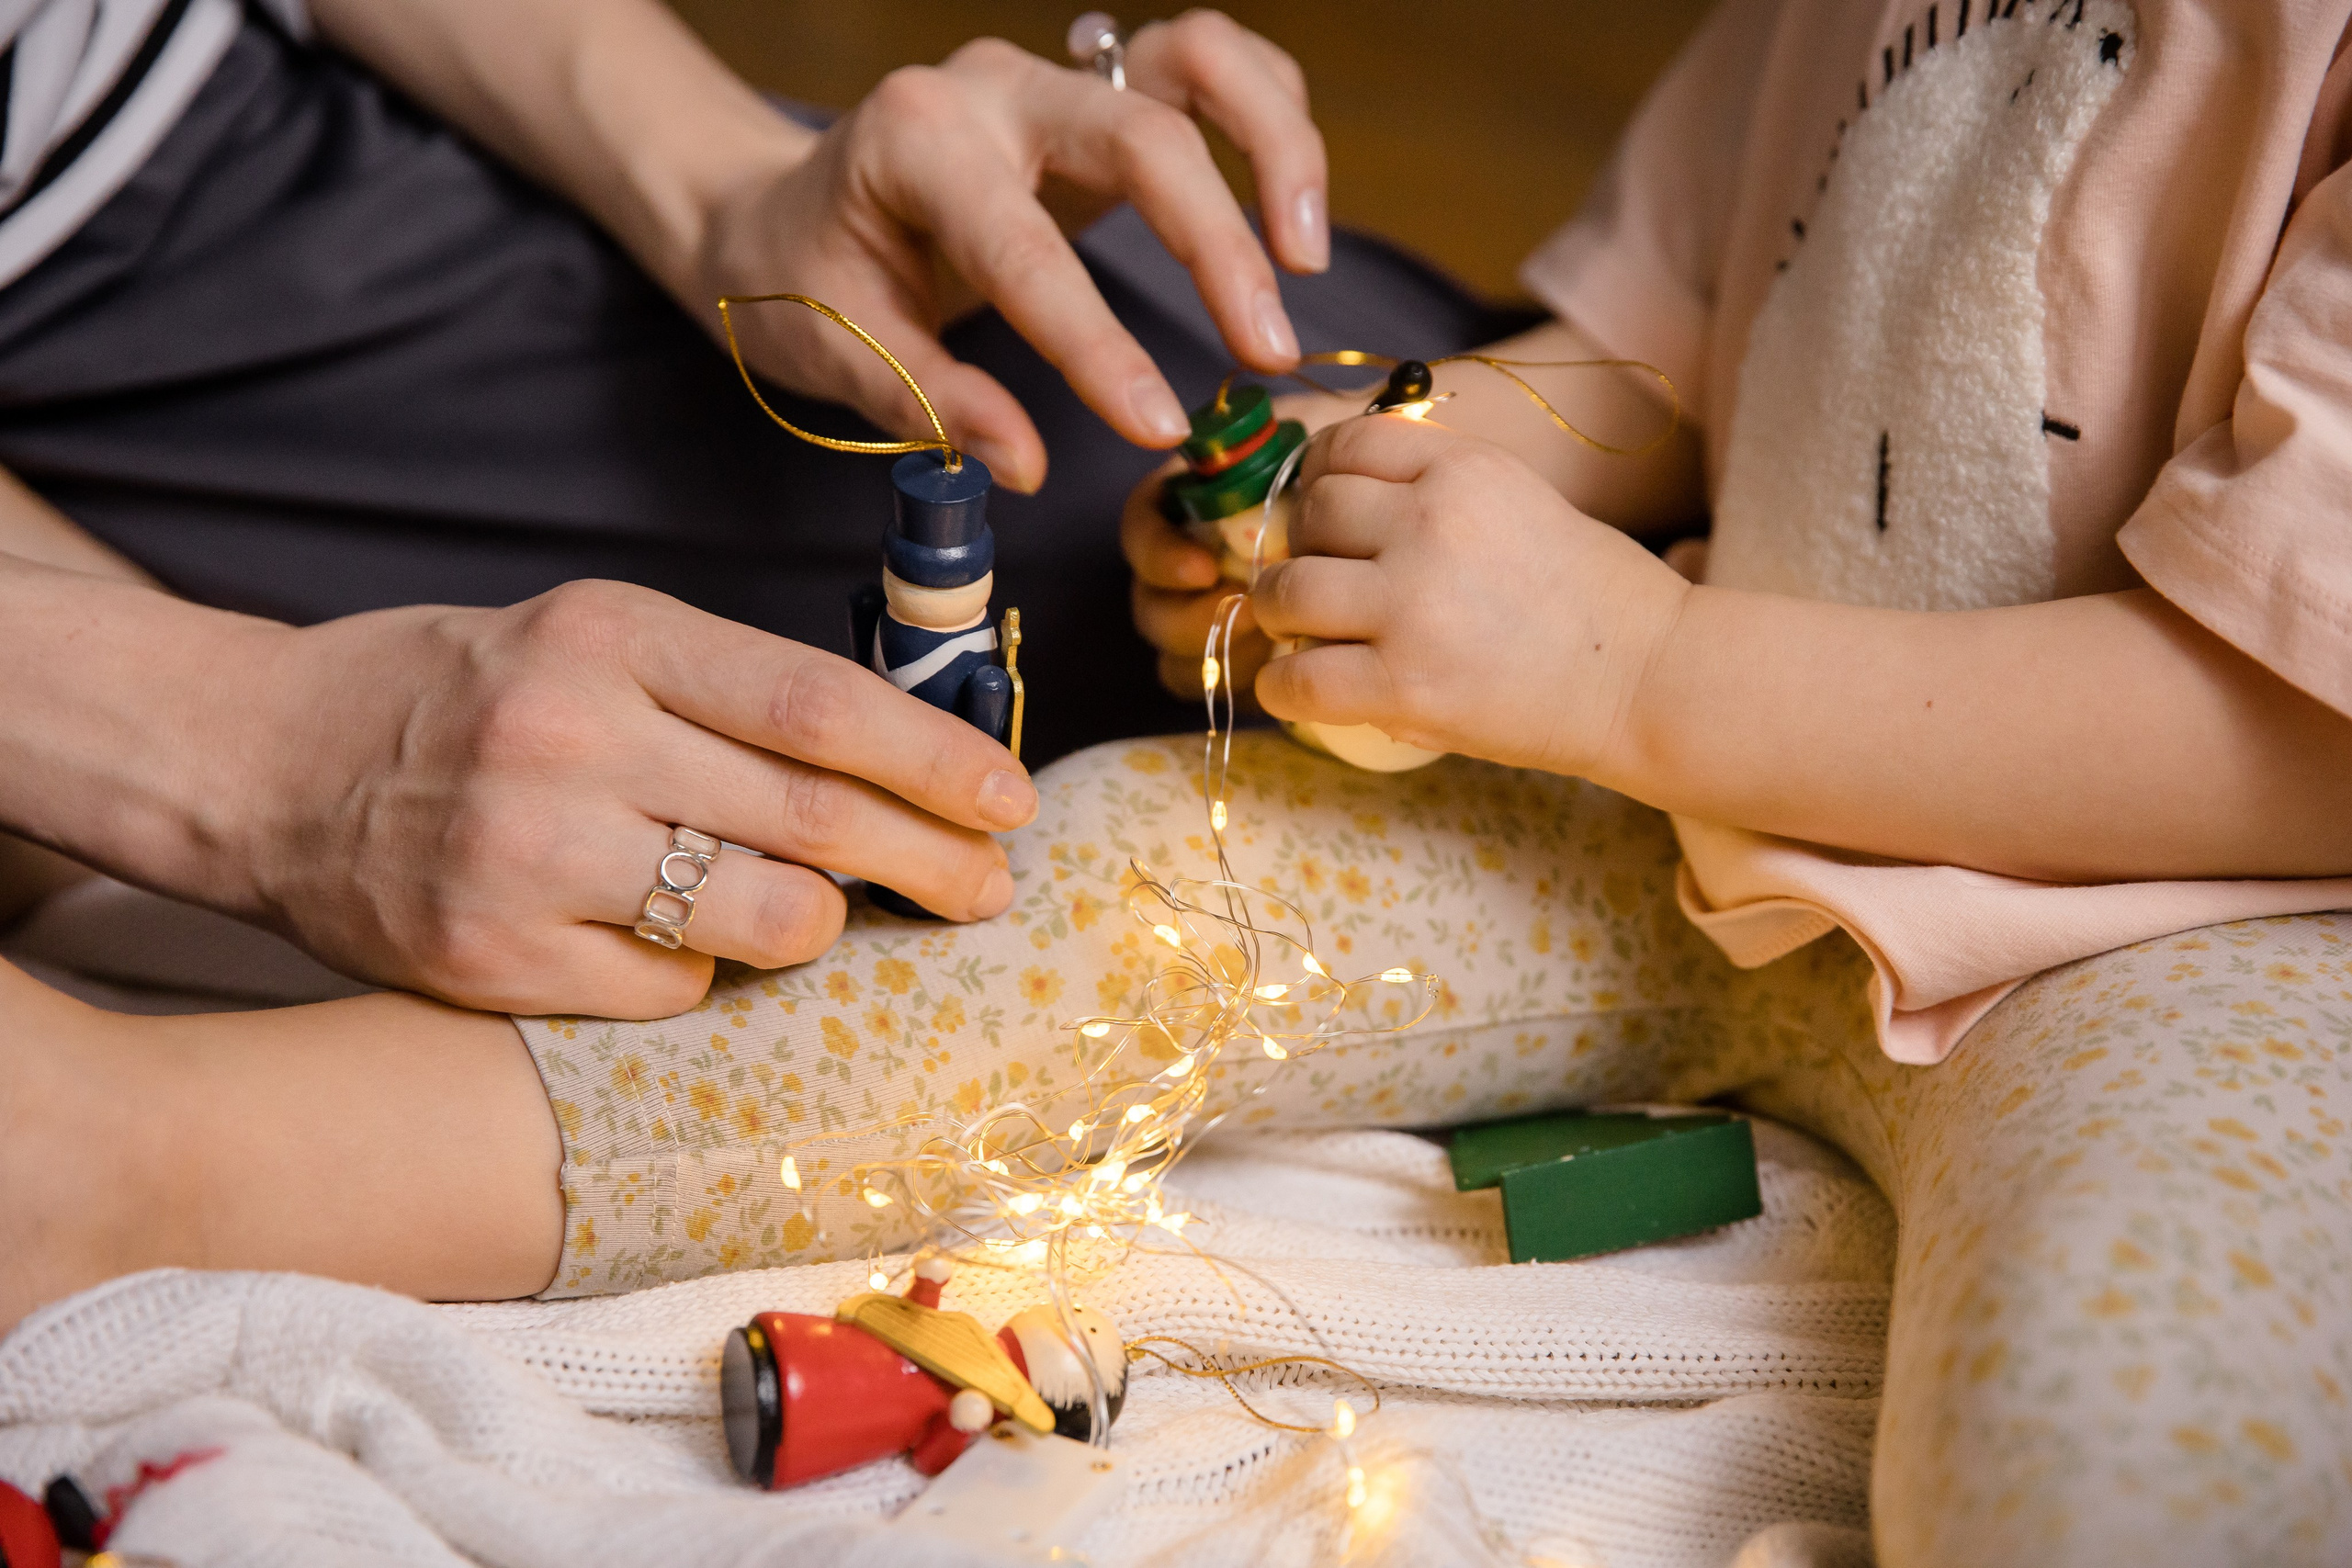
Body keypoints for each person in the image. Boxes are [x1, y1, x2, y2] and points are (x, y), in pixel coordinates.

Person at [13, 0, 2352, 1562]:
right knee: (1054, 891)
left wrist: (1643, 665)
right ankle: (136, 1153)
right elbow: (1659, 350)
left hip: (2166, 938)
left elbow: (2294, 718)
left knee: (2121, 1408)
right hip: (1649, 801)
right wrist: (1376, 479)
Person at [0, 0, 1532, 1021]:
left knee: (1406, 414)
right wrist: (264, 750)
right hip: (85, 312)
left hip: (240, 102)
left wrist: (725, 180)